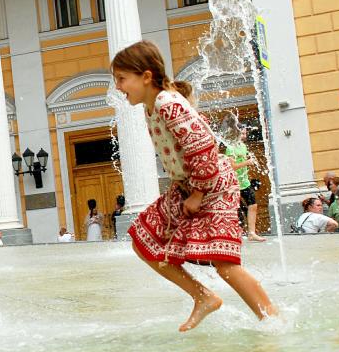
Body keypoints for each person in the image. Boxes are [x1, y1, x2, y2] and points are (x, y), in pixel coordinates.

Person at [111, 40, 277, 331]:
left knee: (223, 262)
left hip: (212, 186)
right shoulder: (152, 106)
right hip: (187, 187)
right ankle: (204, 297)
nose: (119, 87)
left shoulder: (167, 103)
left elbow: (203, 146)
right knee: (144, 239)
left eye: (122, 79)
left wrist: (198, 193)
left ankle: (272, 319)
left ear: (146, 76)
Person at [221, 114, 266, 242]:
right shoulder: (230, 148)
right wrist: (247, 162)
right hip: (234, 184)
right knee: (237, 210)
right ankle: (237, 235)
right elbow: (232, 166)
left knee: (253, 205)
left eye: (245, 133)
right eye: (243, 133)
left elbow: (244, 159)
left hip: (244, 182)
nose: (245, 136)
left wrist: (248, 160)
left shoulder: (243, 146)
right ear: (236, 133)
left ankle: (252, 232)